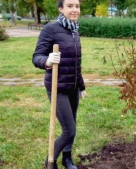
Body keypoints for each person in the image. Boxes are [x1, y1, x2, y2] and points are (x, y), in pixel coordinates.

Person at [32, 0, 85, 168]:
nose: (75, 10)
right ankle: (50, 161)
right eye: (70, 6)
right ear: (61, 9)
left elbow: (75, 62)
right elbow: (36, 56)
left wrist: (81, 85)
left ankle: (67, 158)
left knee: (72, 124)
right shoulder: (51, 29)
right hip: (58, 88)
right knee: (69, 130)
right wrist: (47, 60)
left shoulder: (74, 30)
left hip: (73, 87)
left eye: (77, 6)